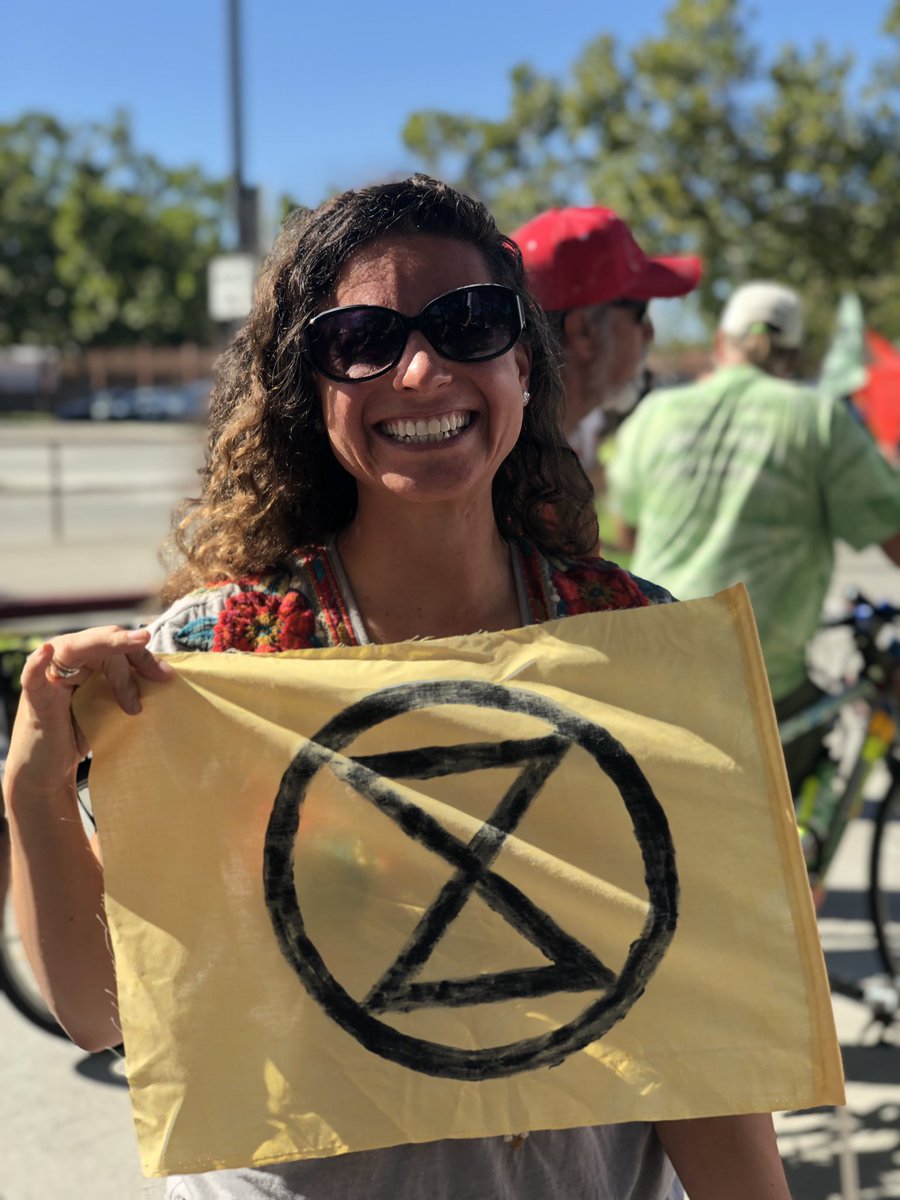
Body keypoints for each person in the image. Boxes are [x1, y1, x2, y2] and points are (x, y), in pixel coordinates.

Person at [5, 176, 791, 1200]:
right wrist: (32, 777)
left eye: (470, 324)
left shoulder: (634, 647)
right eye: (361, 338)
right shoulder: (219, 660)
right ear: (309, 383)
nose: (420, 370)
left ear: (522, 361)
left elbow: (700, 1037)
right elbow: (103, 1008)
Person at [607, 280, 900, 791]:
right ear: (793, 355)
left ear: (722, 343)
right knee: (798, 815)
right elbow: (892, 534)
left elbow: (628, 535)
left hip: (647, 668)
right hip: (760, 681)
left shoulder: (653, 415)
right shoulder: (818, 418)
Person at [510, 205, 701, 469]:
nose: (650, 332)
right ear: (584, 332)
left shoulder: (532, 452)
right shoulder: (514, 478)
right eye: (640, 312)